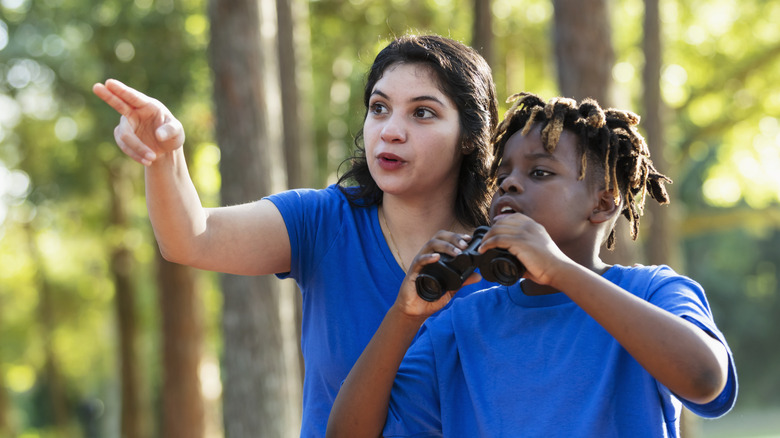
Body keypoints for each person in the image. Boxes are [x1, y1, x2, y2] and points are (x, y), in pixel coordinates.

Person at [93, 34, 499, 437]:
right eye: (379, 108)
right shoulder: (322, 220)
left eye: (422, 113)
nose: (391, 131)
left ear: (469, 136)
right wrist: (165, 156)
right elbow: (190, 238)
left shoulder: (505, 257)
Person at [327, 92, 738, 437]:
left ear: (604, 202)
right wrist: (404, 315)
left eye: (540, 171)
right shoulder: (458, 325)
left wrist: (558, 269)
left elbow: (704, 381)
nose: (509, 183)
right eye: (502, 175)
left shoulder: (652, 292)